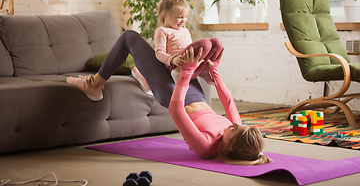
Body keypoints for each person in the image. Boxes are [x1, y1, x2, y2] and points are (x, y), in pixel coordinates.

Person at [66, 30, 271, 165]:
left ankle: (94, 85)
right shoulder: (237, 132)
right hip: (194, 90)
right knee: (212, 45)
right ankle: (153, 73)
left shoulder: (206, 147)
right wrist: (214, 72)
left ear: (232, 146)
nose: (232, 125)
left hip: (174, 95)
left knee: (128, 37)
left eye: (233, 129)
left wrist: (186, 73)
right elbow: (228, 102)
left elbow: (176, 110)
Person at [131, 0, 215, 95]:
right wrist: (173, 60)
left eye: (185, 17)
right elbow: (159, 53)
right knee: (205, 43)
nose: (183, 20)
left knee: (216, 43)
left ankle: (203, 71)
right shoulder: (162, 31)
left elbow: (189, 48)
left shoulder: (185, 30)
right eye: (179, 17)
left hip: (190, 64)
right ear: (165, 15)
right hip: (176, 65)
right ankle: (179, 73)